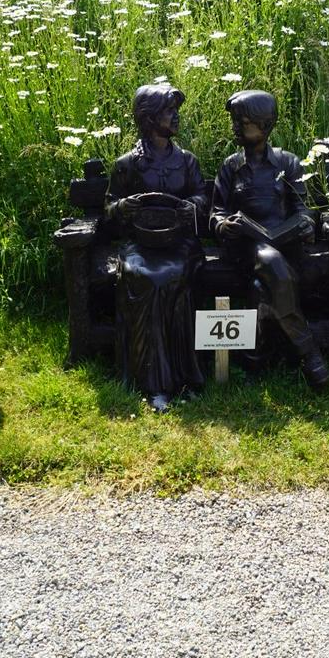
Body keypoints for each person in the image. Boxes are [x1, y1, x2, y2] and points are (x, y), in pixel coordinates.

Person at [211, 89, 329, 391]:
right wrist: (225, 225)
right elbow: (216, 212)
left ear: (265, 126)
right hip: (246, 250)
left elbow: (303, 208)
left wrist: (303, 224)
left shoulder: (287, 163)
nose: (236, 127)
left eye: (243, 122)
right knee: (269, 259)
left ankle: (255, 360)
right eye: (235, 121)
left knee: (260, 289)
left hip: (286, 246)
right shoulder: (231, 166)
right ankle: (309, 352)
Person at [105, 84, 208, 412]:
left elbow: (202, 200)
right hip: (140, 245)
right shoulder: (128, 165)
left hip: (179, 244)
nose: (175, 116)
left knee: (173, 276)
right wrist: (123, 206)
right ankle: (153, 383)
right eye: (168, 111)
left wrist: (189, 206)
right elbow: (109, 210)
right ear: (148, 119)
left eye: (175, 110)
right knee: (144, 277)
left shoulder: (186, 161)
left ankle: (184, 375)